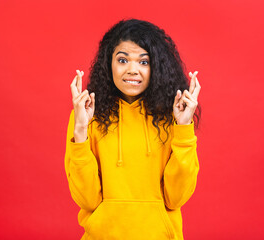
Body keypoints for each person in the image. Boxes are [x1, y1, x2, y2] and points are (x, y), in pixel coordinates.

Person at [64, 19, 201, 240]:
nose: (132, 70)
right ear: (109, 64)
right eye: (123, 60)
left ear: (156, 67)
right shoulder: (87, 116)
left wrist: (184, 128)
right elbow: (86, 199)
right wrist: (80, 129)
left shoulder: (172, 117)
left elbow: (176, 198)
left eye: (144, 62)